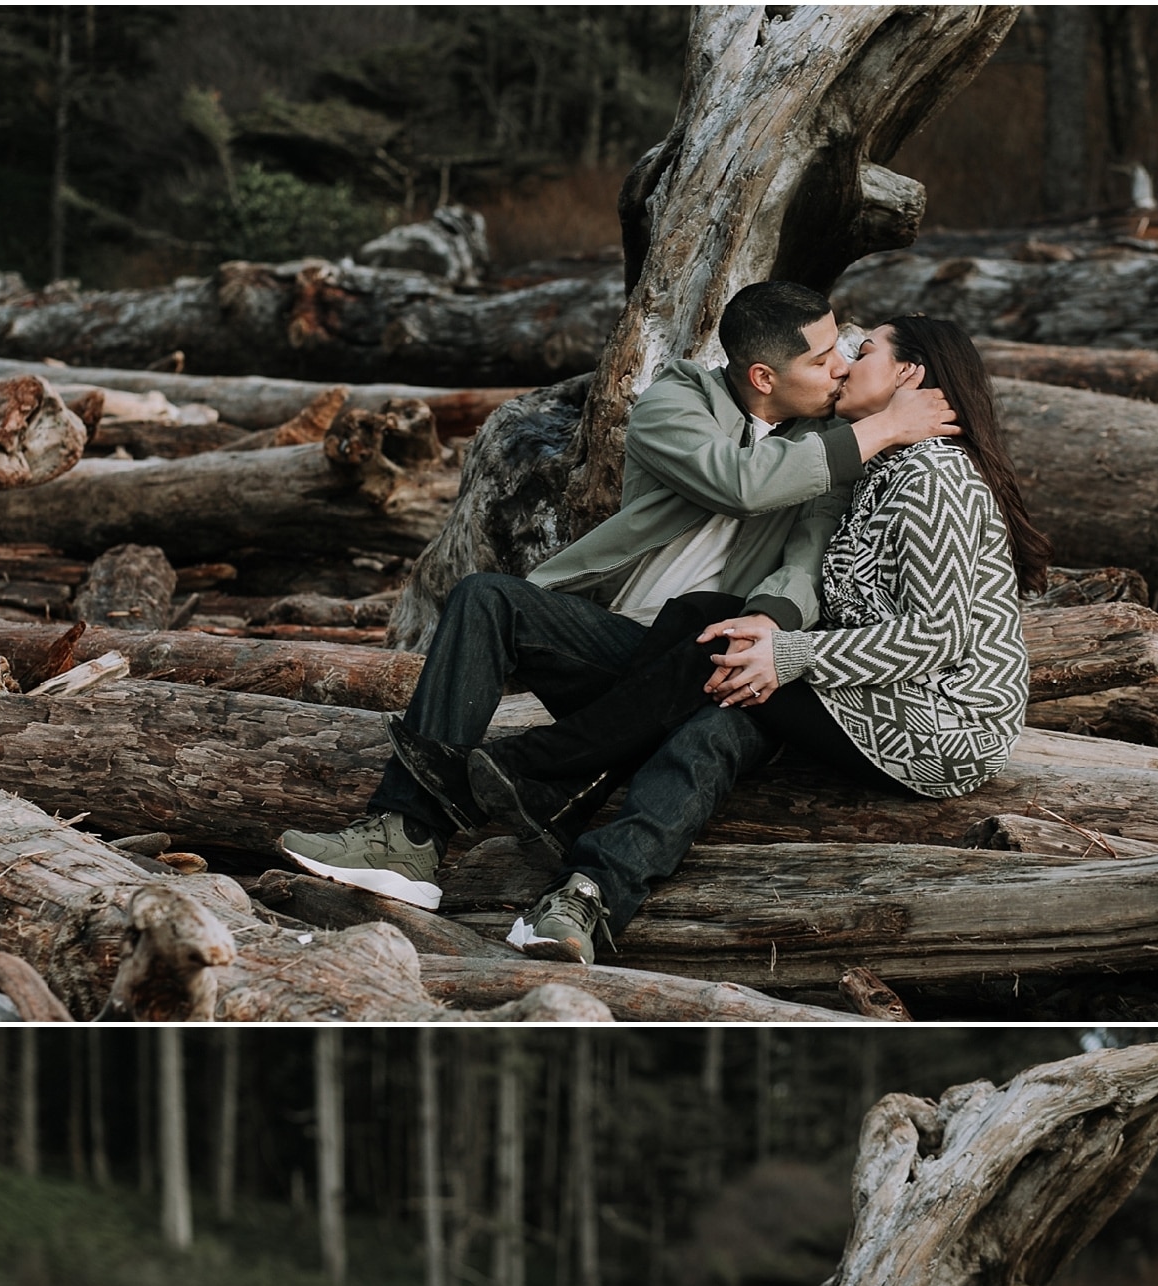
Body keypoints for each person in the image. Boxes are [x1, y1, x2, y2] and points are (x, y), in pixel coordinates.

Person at [274, 281, 957, 925]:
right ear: (761, 377)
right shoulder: (676, 404)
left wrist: (771, 624)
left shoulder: (821, 444)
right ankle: (403, 836)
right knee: (486, 597)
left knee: (708, 619)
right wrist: (881, 428)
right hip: (620, 644)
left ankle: (541, 810)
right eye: (821, 358)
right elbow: (741, 483)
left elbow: (807, 558)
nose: (839, 367)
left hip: (706, 666)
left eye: (841, 350)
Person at [442, 315, 1048, 960]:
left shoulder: (936, 479)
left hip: (940, 721)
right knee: (713, 652)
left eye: (863, 350)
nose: (844, 361)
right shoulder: (882, 467)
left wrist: (786, 655)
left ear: (909, 373)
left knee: (721, 657)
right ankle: (587, 896)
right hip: (866, 688)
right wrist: (772, 644)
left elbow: (941, 638)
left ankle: (544, 769)